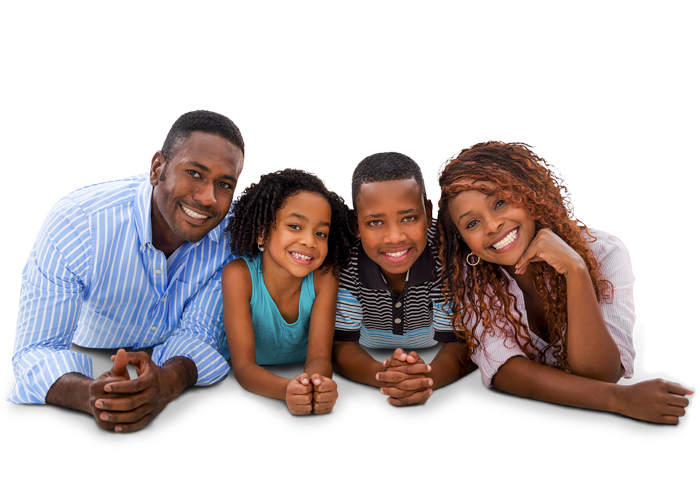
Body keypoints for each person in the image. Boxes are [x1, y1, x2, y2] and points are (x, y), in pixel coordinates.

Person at [9, 109, 245, 432]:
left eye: (224, 184)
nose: (208, 198)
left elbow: (201, 333)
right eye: (194, 173)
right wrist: (90, 395)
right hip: (90, 352)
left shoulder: (237, 232)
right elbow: (36, 349)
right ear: (157, 167)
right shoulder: (78, 224)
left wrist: (170, 382)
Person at [436, 140, 692, 423]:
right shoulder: (473, 282)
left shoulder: (603, 252)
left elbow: (603, 373)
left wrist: (576, 270)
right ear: (464, 243)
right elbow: (506, 372)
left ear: (530, 198)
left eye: (500, 203)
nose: (492, 225)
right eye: (472, 223)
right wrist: (619, 399)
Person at [332, 152, 466, 407]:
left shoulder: (445, 257)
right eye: (375, 222)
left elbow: (458, 344)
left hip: (436, 351)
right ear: (356, 223)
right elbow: (340, 346)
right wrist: (386, 378)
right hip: (363, 355)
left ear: (428, 213)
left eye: (408, 218)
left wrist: (425, 380)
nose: (394, 237)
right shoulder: (346, 263)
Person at [221, 168, 356, 415]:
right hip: (248, 387)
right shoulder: (239, 276)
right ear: (263, 232)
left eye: (320, 233)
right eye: (295, 226)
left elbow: (318, 357)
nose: (309, 241)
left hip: (298, 378)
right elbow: (244, 369)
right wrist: (289, 390)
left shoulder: (324, 278)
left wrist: (317, 385)